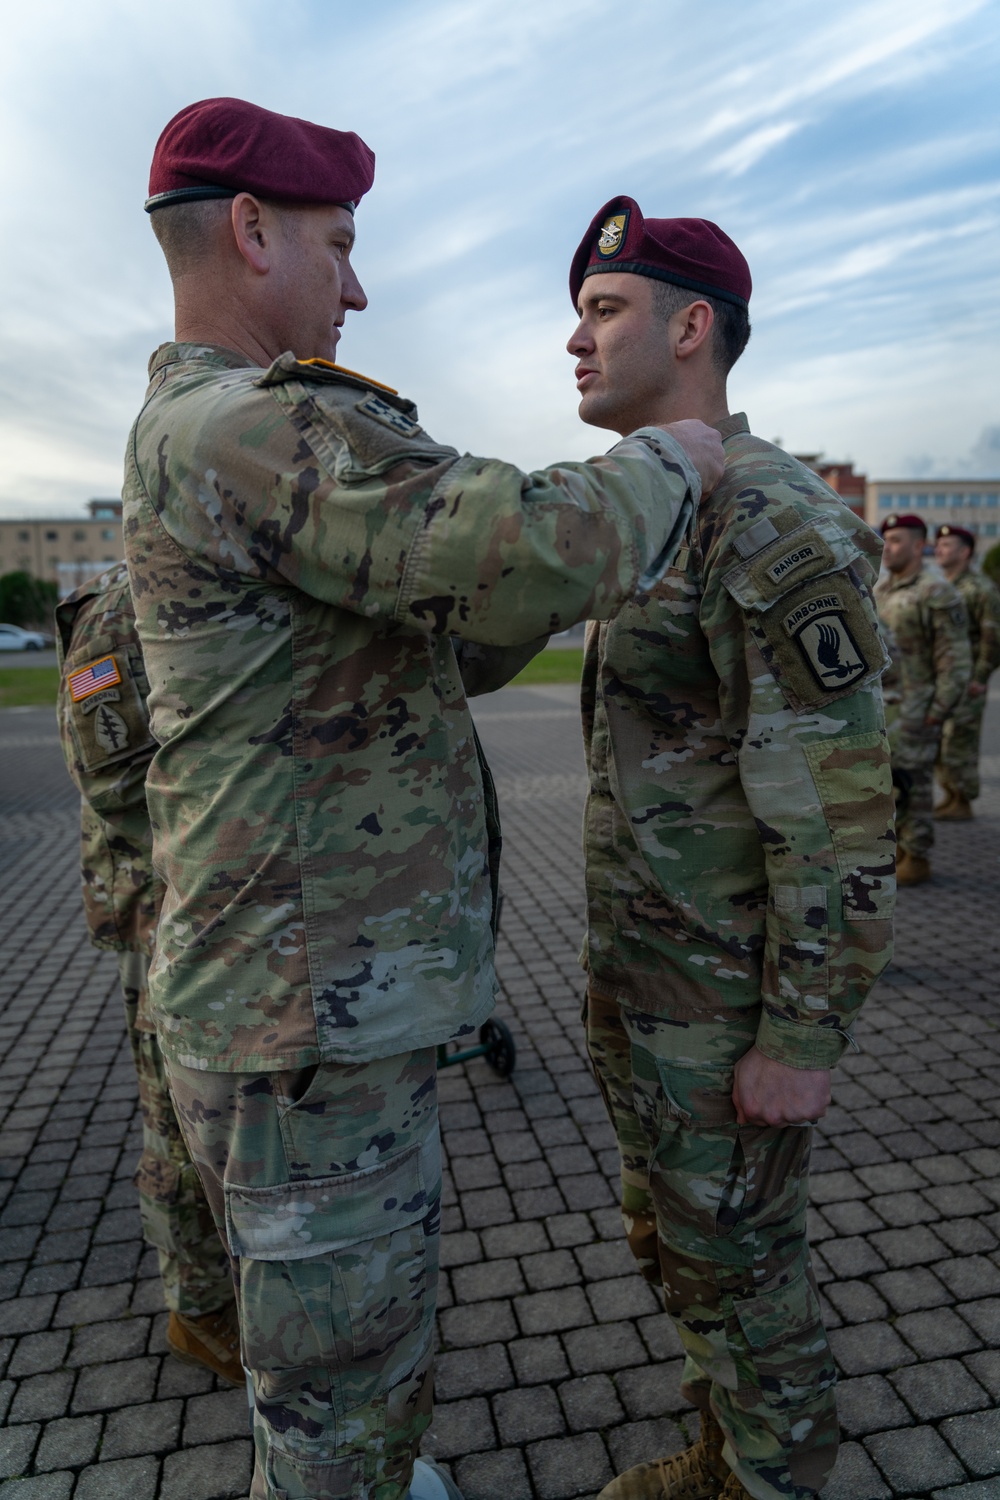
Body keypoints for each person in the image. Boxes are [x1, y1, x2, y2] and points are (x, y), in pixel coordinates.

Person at [126, 98, 725, 1500]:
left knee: (353, 1376)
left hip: (307, 1013)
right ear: (254, 229)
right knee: (335, 1416)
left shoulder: (221, 429)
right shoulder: (244, 426)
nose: (358, 282)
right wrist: (676, 463)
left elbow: (436, 628)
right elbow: (514, 544)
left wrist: (519, 592)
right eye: (338, 244)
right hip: (303, 1029)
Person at [566, 198, 896, 1500]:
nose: (576, 343)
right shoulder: (653, 505)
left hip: (726, 1009)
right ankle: (727, 1453)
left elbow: (845, 808)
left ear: (692, 327)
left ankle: (773, 1478)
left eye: (605, 311)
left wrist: (799, 1039)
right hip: (650, 987)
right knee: (686, 1247)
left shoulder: (767, 518)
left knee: (747, 1271)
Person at [54, 563, 239, 1384]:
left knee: (211, 1108)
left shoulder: (212, 563)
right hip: (155, 897)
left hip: (203, 897)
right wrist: (216, 867)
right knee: (172, 1116)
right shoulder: (121, 604)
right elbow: (111, 777)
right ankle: (197, 1310)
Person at [875, 514, 971, 884]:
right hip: (885, 707)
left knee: (916, 786)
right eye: (886, 539)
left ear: (919, 545)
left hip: (919, 708)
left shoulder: (937, 592)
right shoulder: (882, 591)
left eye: (897, 540)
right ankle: (897, 849)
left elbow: (955, 658)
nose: (889, 547)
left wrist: (939, 710)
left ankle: (917, 856)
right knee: (891, 785)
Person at [932, 523, 1000, 819]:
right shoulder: (943, 586)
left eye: (947, 545)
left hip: (967, 682)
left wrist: (980, 679)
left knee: (960, 743)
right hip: (942, 681)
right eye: (939, 544)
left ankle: (963, 800)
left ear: (965, 552)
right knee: (941, 743)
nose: (939, 549)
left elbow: (993, 637)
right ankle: (950, 794)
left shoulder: (980, 589)